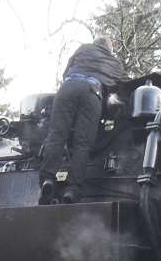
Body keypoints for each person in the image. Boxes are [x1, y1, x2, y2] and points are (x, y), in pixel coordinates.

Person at [39, 35, 126, 205]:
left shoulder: (84, 48)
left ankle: (47, 179)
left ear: (95, 44)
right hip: (92, 92)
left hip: (68, 87)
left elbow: (66, 71)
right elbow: (124, 82)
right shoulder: (114, 62)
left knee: (56, 137)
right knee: (83, 144)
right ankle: (73, 190)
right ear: (110, 49)